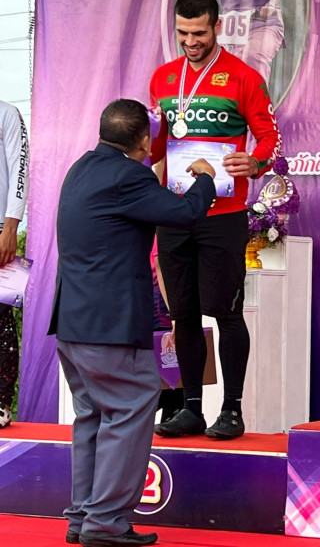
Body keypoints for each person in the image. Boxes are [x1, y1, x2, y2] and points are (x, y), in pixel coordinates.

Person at [49, 99, 216, 547]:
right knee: (132, 403)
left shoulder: (80, 169)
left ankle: (83, 517)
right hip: (109, 327)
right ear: (144, 140)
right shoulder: (129, 176)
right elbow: (185, 213)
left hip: (73, 323)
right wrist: (206, 177)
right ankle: (106, 522)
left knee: (92, 414)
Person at [150, 0, 281, 440]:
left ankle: (232, 410)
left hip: (223, 213)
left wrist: (255, 161)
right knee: (182, 315)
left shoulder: (245, 78)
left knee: (226, 313)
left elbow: (269, 137)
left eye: (199, 33)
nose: (190, 41)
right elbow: (157, 143)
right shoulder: (163, 78)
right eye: (183, 33)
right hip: (175, 211)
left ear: (218, 27)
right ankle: (192, 408)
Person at [202, 0, 289, 88]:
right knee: (216, 66)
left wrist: (272, 3)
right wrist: (200, 9)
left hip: (262, 24)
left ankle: (257, 100)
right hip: (230, 29)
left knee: (252, 56)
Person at [0, 100, 29, 429]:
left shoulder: (7, 113)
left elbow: (20, 168)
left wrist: (10, 227)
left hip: (0, 229)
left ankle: (1, 402)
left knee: (1, 318)